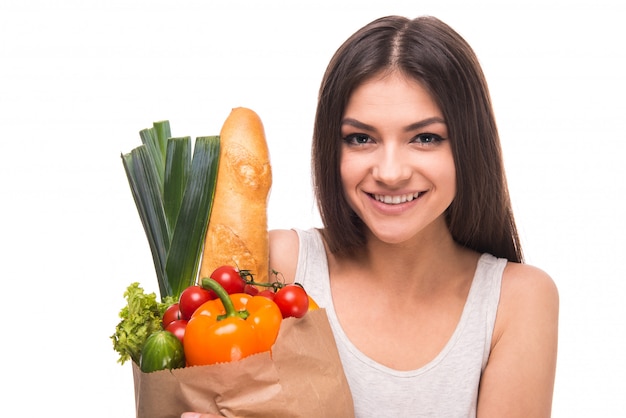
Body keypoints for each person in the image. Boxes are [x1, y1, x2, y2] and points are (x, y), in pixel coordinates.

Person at [182, 14, 559, 418]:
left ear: (469, 145)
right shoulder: (281, 266)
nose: (391, 172)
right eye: (361, 139)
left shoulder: (516, 300)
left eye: (425, 138)